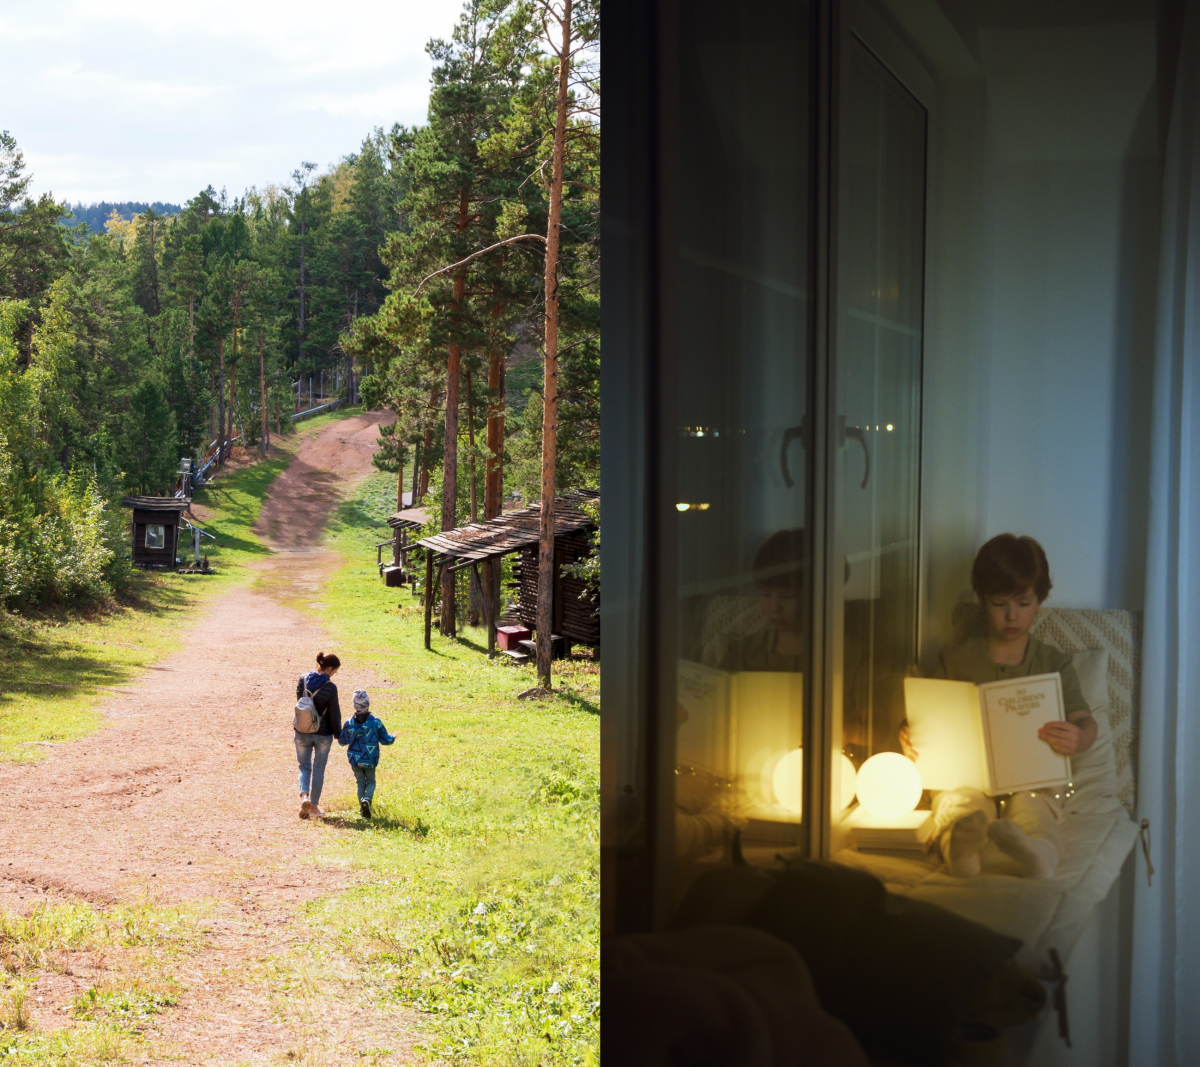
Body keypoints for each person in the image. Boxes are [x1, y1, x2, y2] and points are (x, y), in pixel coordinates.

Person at [902, 534, 1097, 879]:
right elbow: (921, 720)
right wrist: (911, 739)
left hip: (1033, 779)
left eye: (1023, 603)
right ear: (981, 601)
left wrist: (1079, 737)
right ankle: (960, 849)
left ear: (1040, 600)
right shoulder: (954, 659)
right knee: (959, 804)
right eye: (999, 603)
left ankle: (1039, 852)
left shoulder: (1053, 662)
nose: (1012, 616)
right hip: (968, 779)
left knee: (1035, 806)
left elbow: (1084, 720)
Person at [295, 651, 343, 819]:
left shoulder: (303, 679)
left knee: (304, 766)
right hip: (323, 735)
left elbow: (300, 703)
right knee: (319, 769)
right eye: (334, 671)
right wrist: (339, 735)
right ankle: (313, 807)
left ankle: (304, 797)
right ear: (329, 668)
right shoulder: (330, 688)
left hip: (302, 730)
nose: (333, 674)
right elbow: (334, 714)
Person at [338, 689, 395, 819]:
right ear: (368, 703)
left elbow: (342, 741)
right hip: (370, 758)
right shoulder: (375, 722)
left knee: (360, 783)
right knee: (370, 782)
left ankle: (362, 807)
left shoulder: (349, 723)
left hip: (355, 759)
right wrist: (393, 738)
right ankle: (367, 799)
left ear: (354, 705)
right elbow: (386, 740)